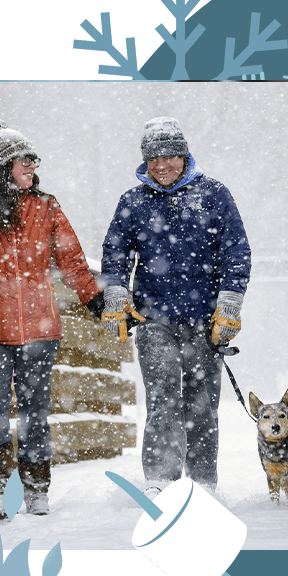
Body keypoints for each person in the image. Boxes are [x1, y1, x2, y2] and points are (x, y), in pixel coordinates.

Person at [0, 119, 104, 518]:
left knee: (34, 412)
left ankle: (36, 488)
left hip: (40, 330)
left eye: (33, 159)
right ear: (2, 165)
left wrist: (94, 300)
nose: (32, 166)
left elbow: (72, 261)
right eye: (24, 159)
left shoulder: (47, 208)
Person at [100, 117, 251, 496]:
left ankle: (202, 485)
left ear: (184, 156)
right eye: (153, 158)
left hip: (204, 320)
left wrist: (230, 302)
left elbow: (236, 251)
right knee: (163, 399)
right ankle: (161, 483)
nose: (161, 165)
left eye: (169, 156)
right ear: (144, 161)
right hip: (153, 319)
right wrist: (116, 295)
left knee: (201, 404)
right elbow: (115, 254)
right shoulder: (132, 201)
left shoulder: (214, 195)